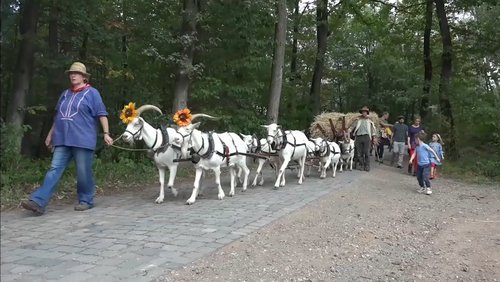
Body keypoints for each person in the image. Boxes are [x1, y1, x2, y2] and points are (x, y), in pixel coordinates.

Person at [21, 62, 113, 215]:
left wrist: (106, 133)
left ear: (84, 77)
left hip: (83, 139)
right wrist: (51, 135)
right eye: (71, 73)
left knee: (83, 171)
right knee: (54, 169)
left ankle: (85, 200)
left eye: (76, 73)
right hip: (62, 139)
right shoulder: (65, 94)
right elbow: (58, 117)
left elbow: (101, 114)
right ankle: (38, 201)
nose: (73, 75)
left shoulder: (92, 93)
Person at [349, 106, 377, 172]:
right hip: (358, 137)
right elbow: (352, 127)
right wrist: (348, 130)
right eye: (363, 112)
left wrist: (374, 137)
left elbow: (373, 130)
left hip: (366, 137)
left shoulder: (370, 121)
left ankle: (367, 165)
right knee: (359, 153)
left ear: (367, 113)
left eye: (365, 112)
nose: (364, 113)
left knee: (366, 152)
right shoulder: (358, 120)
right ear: (361, 113)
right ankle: (361, 165)